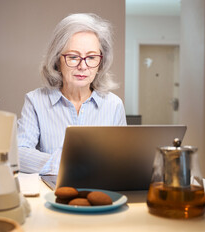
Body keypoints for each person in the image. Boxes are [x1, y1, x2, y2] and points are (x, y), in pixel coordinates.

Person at [17, 13, 127, 175]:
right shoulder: (35, 101)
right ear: (57, 60)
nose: (83, 66)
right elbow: (20, 153)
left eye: (91, 57)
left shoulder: (114, 104)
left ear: (101, 62)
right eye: (73, 57)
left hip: (100, 192)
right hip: (51, 194)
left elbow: (123, 159)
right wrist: (63, 164)